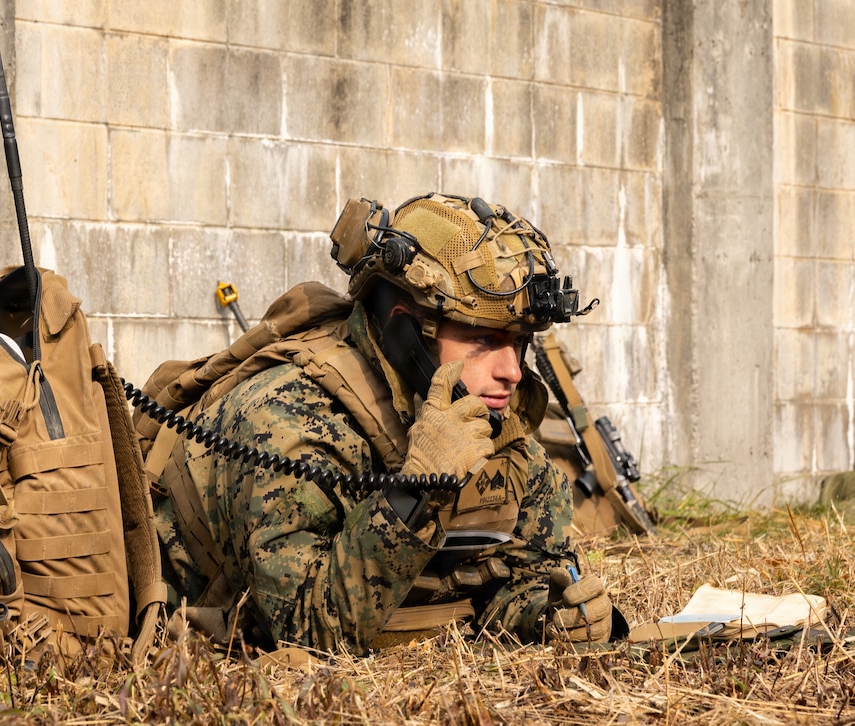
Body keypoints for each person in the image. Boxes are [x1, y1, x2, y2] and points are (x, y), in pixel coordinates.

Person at [142, 192, 624, 654]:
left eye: (519, 343)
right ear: (404, 331)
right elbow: (307, 629)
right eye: (482, 341)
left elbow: (507, 581)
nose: (512, 371)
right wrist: (417, 493)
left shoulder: (497, 425)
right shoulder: (288, 418)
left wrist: (551, 615)